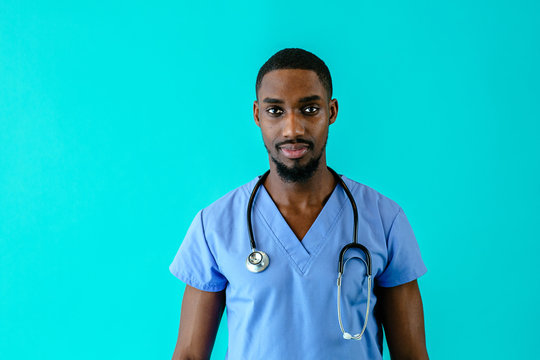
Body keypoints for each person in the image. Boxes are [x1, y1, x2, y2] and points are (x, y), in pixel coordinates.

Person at [169, 48, 429, 360]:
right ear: (257, 115)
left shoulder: (384, 220)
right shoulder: (215, 225)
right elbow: (188, 355)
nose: (293, 129)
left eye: (309, 110)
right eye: (275, 111)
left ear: (331, 112)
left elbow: (412, 354)